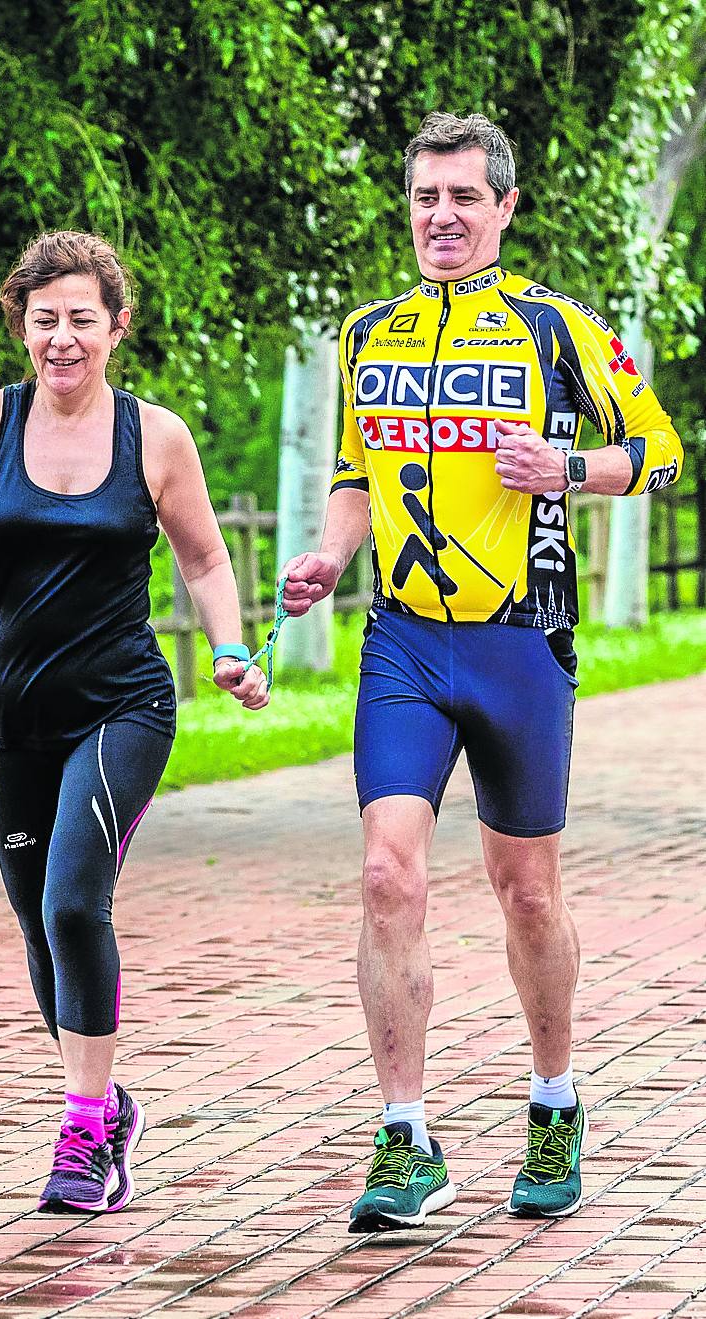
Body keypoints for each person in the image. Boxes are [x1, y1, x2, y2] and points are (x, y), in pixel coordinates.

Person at [281, 112, 683, 1233]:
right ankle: (405, 1139)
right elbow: (358, 472)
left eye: (464, 196)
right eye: (425, 198)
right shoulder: (369, 331)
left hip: (523, 641)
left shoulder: (558, 326)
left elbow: (661, 449)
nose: (442, 216)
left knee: (526, 888)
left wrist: (572, 465)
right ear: (408, 209)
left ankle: (554, 1099)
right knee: (385, 875)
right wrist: (327, 552)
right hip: (404, 638)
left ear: (505, 208)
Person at [0, 231, 269, 1213]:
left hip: (122, 701)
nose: (63, 338)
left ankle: (82, 1130)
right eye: (45, 320)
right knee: (43, 927)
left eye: (83, 319)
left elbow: (206, 560)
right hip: (7, 713)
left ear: (117, 326)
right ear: (23, 326)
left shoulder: (155, 435)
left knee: (78, 902)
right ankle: (108, 1099)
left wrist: (228, 647)